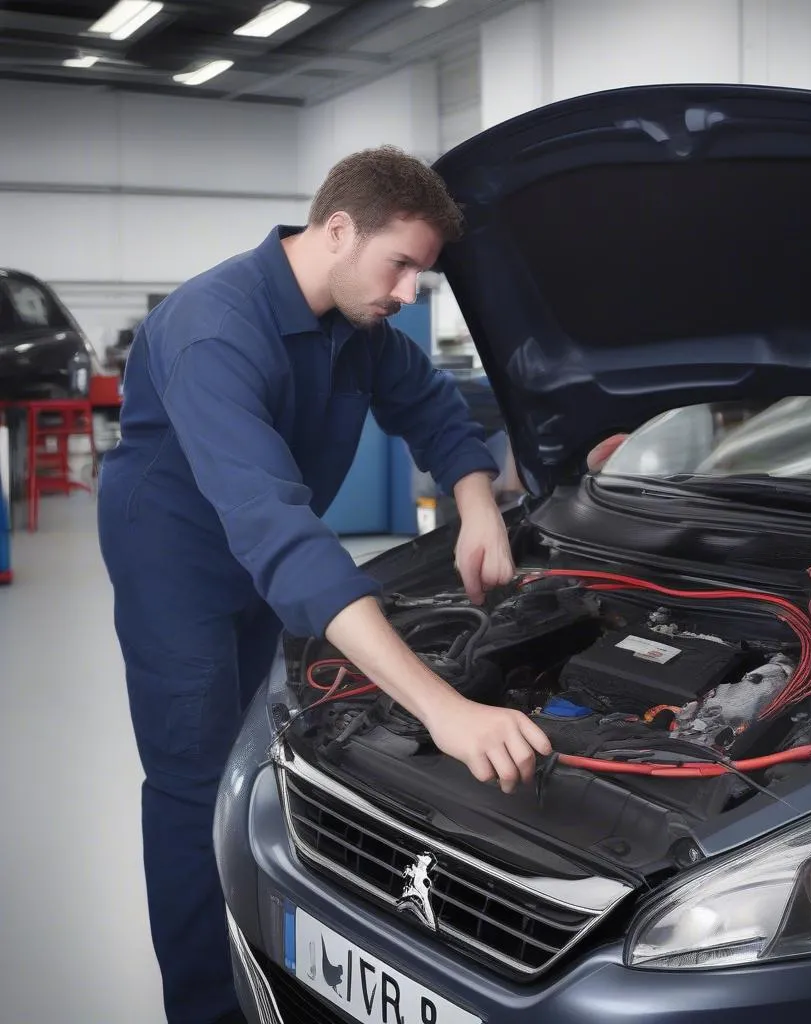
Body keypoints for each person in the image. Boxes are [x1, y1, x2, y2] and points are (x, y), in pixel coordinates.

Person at [97, 146, 552, 1024]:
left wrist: (479, 505)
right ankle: (206, 1007)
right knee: (195, 781)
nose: (411, 291)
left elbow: (431, 406)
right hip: (176, 561)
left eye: (423, 272)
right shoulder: (214, 327)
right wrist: (442, 710)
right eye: (404, 265)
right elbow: (280, 531)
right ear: (337, 230)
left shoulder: (359, 326)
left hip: (269, 546)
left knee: (260, 753)